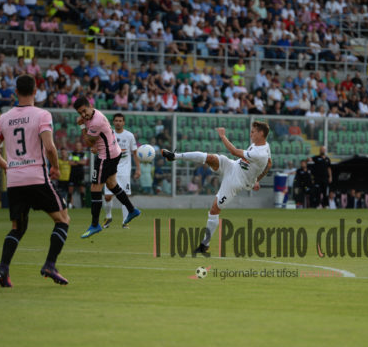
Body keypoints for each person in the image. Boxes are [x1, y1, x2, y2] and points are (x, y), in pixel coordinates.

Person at [0, 74, 70, 287]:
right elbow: (49, 147)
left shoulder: (4, 118)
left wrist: (7, 167)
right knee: (62, 219)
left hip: (15, 180)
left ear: (16, 92)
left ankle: (3, 268)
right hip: (36, 176)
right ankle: (50, 265)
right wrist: (55, 167)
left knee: (17, 228)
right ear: (35, 91)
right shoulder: (42, 115)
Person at [161, 121, 272, 255]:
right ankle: (175, 156)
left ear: (261, 133)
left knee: (214, 209)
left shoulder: (261, 153)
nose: (250, 134)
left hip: (236, 181)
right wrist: (257, 180)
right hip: (233, 165)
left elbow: (234, 151)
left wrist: (222, 136)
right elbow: (269, 164)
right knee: (210, 158)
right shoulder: (264, 145)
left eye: (253, 132)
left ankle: (204, 244)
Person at [73, 97, 141, 238]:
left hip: (106, 156)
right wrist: (94, 143)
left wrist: (81, 126)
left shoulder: (96, 121)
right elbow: (97, 140)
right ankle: (132, 210)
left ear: (90, 105)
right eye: (80, 113)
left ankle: (95, 225)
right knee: (111, 184)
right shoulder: (94, 114)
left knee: (95, 188)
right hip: (114, 152)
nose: (83, 115)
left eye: (84, 111)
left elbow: (88, 142)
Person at [102, 113, 141, 229]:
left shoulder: (129, 136)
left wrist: (138, 169)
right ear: (113, 122)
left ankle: (125, 221)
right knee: (108, 196)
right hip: (110, 169)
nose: (118, 122)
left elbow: (135, 153)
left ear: (123, 122)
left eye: (120, 121)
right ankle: (108, 217)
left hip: (124, 171)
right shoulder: (109, 134)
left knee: (125, 196)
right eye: (116, 120)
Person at [68, 141, 88, 208]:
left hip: (80, 174)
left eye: (79, 145)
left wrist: (75, 161)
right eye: (76, 145)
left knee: (82, 190)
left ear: (81, 147)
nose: (78, 147)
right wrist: (79, 161)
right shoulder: (72, 154)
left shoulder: (83, 154)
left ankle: (83, 205)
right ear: (75, 146)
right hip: (72, 174)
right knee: (70, 190)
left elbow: (84, 162)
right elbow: (70, 163)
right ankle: (69, 204)